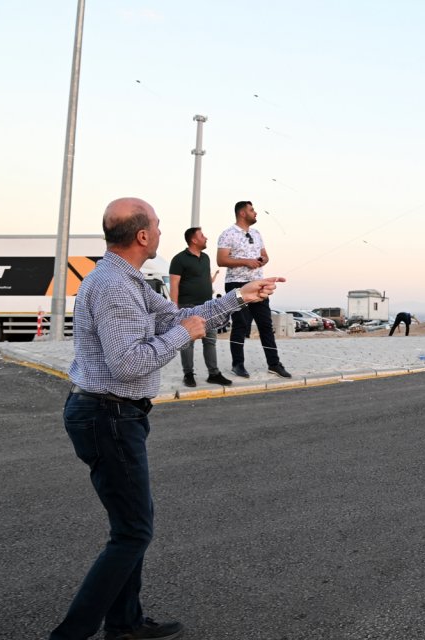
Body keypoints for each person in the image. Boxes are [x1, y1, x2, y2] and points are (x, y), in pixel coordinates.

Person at [53, 197, 282, 640]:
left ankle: (125, 623)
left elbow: (179, 316)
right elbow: (129, 364)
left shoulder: (128, 280)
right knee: (133, 532)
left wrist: (238, 297)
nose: (160, 231)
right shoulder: (115, 287)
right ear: (141, 235)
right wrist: (183, 335)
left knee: (131, 527)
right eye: (156, 225)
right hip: (108, 414)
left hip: (115, 414)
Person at [217, 200, 291, 378]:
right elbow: (221, 260)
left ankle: (274, 364)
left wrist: (262, 260)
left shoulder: (257, 233)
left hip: (258, 284)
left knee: (266, 324)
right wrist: (246, 261)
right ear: (242, 213)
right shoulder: (228, 234)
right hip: (236, 284)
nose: (255, 212)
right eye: (252, 210)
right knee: (241, 324)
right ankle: (238, 364)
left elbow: (265, 256)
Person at [170, 227, 232, 388]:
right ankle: (188, 374)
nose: (206, 238)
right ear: (194, 240)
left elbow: (204, 280)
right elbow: (174, 285)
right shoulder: (179, 259)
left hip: (207, 307)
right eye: (202, 235)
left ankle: (214, 373)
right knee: (187, 343)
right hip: (187, 308)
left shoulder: (205, 258)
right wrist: (174, 309)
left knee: (210, 340)